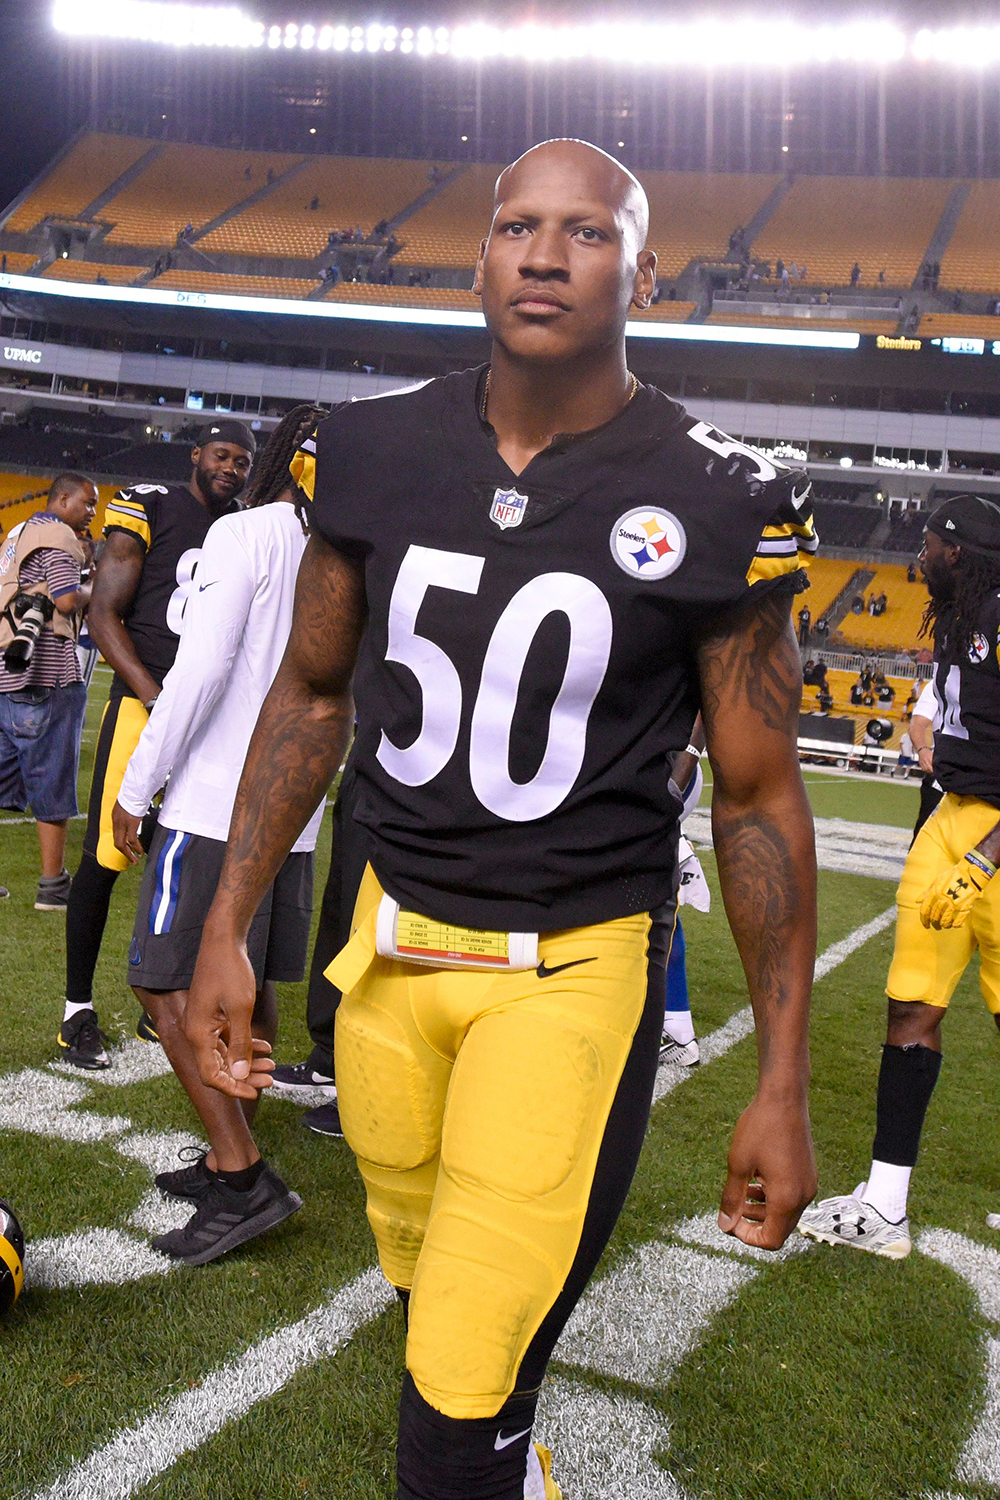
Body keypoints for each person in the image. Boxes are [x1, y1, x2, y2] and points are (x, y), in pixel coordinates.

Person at [183, 139, 819, 1500]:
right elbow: (307, 698)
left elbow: (762, 795)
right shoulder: (367, 449)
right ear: (476, 256)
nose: (543, 254)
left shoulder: (721, 497)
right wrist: (230, 925)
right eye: (516, 226)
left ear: (646, 271)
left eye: (585, 232)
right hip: (387, 960)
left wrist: (780, 1078)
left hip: (572, 974)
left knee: (453, 1402)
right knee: (435, 1313)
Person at [110, 408, 324, 1264]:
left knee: (165, 991)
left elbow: (198, 673)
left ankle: (242, 1174)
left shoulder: (248, 535)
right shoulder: (350, 549)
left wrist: (136, 784)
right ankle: (231, 1145)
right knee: (252, 984)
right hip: (293, 809)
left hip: (212, 804)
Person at [800, 496, 1000, 1259]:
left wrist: (986, 857)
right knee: (910, 1004)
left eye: (929, 544)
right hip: (948, 823)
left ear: (962, 550)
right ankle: (885, 1203)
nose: (918, 557)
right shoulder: (955, 623)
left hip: (994, 840)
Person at [58, 421, 255, 1070]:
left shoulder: (246, 525)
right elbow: (103, 613)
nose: (231, 467)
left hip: (213, 720)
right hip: (149, 709)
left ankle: (161, 999)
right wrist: (154, 695)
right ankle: (76, 1011)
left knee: (189, 860)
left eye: (243, 460)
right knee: (107, 860)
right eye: (221, 455)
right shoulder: (151, 503)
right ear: (196, 455)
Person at [0, 474, 96, 908]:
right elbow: (65, 600)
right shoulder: (57, 534)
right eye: (86, 503)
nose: (92, 511)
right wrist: (95, 587)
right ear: (62, 498)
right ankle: (52, 886)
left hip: (5, 670)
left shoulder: (18, 532)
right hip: (45, 671)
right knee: (52, 780)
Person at [908, 676, 943, 842]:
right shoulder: (940, 682)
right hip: (944, 770)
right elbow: (918, 723)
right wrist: (922, 749)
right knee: (924, 839)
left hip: (986, 774)